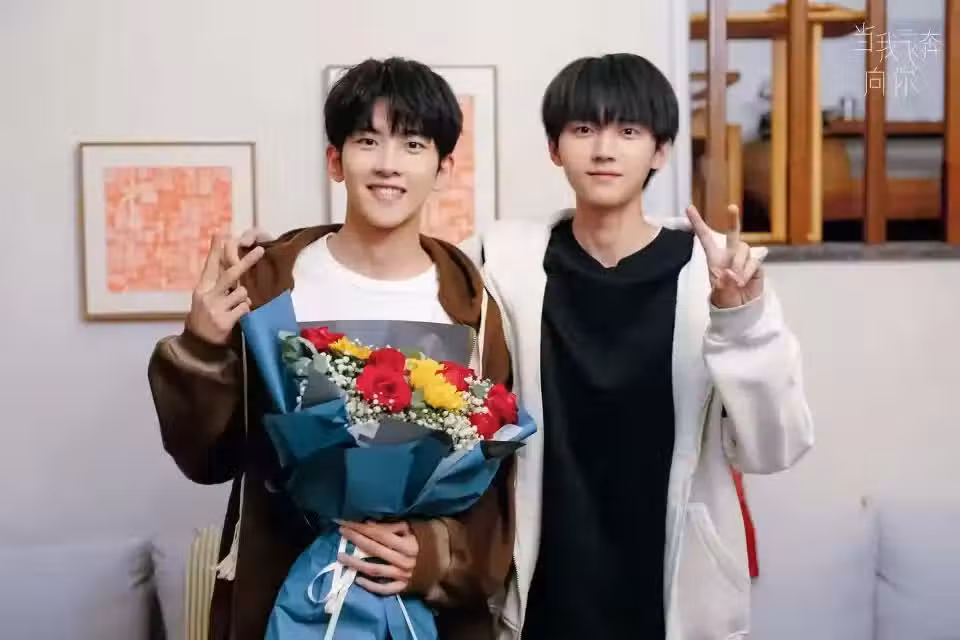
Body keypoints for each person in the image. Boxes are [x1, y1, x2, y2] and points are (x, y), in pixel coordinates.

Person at [147, 57, 516, 640]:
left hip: (426, 618)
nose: (388, 163)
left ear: (443, 168)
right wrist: (202, 346)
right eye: (367, 140)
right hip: (279, 592)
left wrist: (430, 555)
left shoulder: (473, 304)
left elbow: (497, 480)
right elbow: (206, 461)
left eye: (413, 144)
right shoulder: (268, 284)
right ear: (335, 160)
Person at [479, 53, 814, 639]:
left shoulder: (711, 273)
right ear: (555, 148)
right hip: (544, 586)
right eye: (584, 129)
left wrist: (740, 320)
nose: (604, 150)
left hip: (670, 592)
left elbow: (774, 447)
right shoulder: (506, 264)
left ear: (660, 151)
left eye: (628, 132)